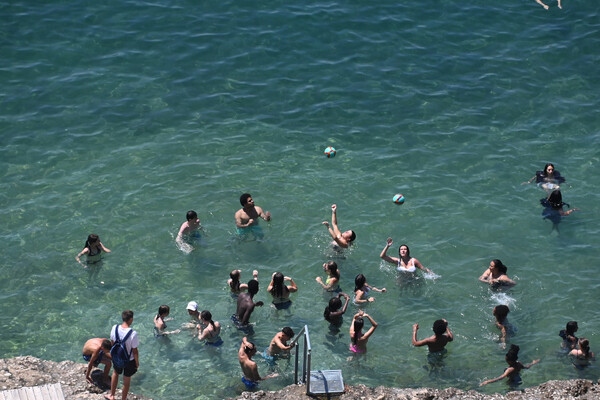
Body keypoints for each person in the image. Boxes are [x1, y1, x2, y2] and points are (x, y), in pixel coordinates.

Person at [106, 310, 139, 400]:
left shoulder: (114, 328)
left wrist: (114, 356)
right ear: (131, 319)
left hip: (117, 357)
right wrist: (137, 363)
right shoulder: (133, 333)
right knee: (126, 380)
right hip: (129, 360)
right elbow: (135, 351)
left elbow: (112, 343)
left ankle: (112, 395)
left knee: (115, 373)